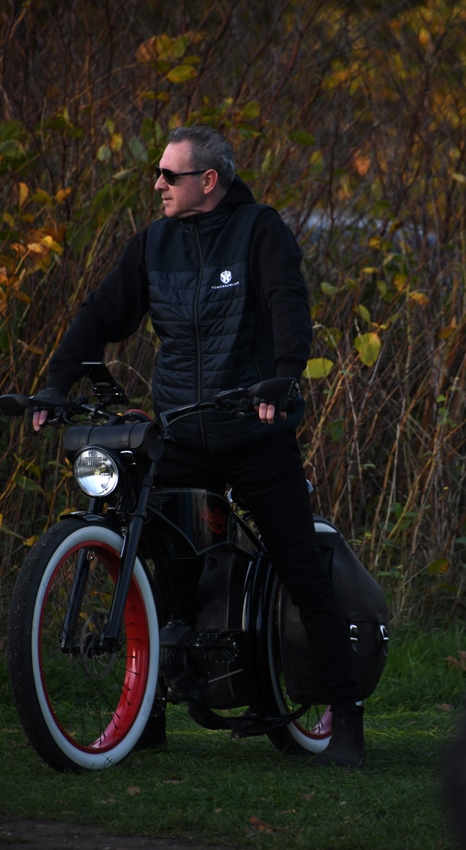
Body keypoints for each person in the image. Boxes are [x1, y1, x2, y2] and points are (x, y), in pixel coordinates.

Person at [32, 125, 364, 767]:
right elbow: (100, 315)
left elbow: (287, 303)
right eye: (157, 172)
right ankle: (150, 711)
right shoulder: (153, 244)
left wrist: (284, 375)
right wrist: (56, 383)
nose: (157, 184)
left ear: (208, 182)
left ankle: (347, 717)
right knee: (156, 558)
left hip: (254, 432)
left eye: (169, 175)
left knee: (301, 569)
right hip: (181, 434)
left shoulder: (260, 230)